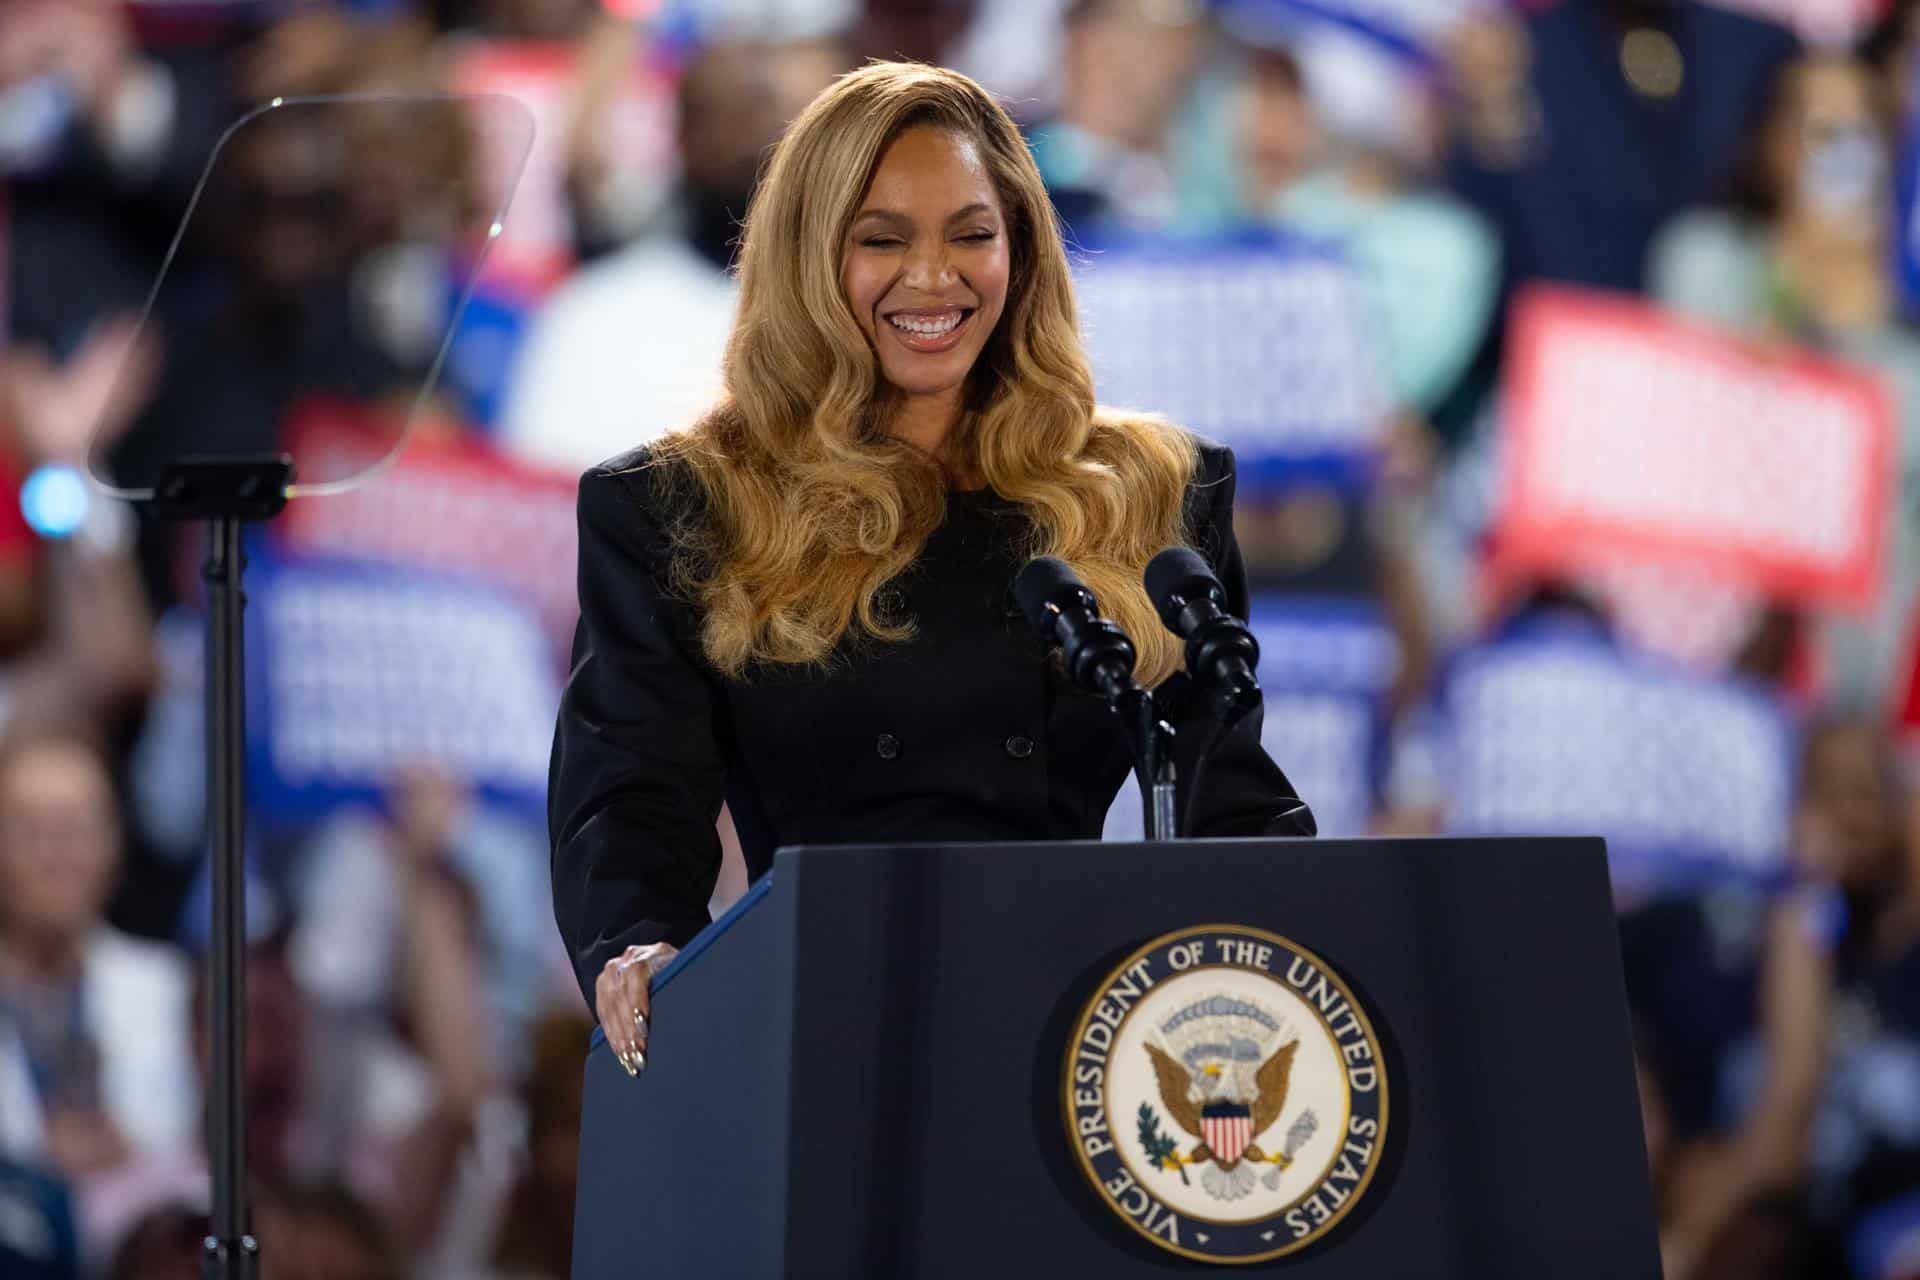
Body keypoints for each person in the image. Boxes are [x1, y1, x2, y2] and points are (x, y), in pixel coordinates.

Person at [548, 61, 1314, 1073]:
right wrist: (642, 947)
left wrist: (1308, 948)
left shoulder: (1149, 489)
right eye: (881, 239)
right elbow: (634, 796)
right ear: (809, 256)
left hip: (1084, 1035)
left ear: (1021, 251)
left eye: (971, 234)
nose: (933, 276)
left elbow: (1235, 802)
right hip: (819, 1029)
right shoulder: (683, 506)